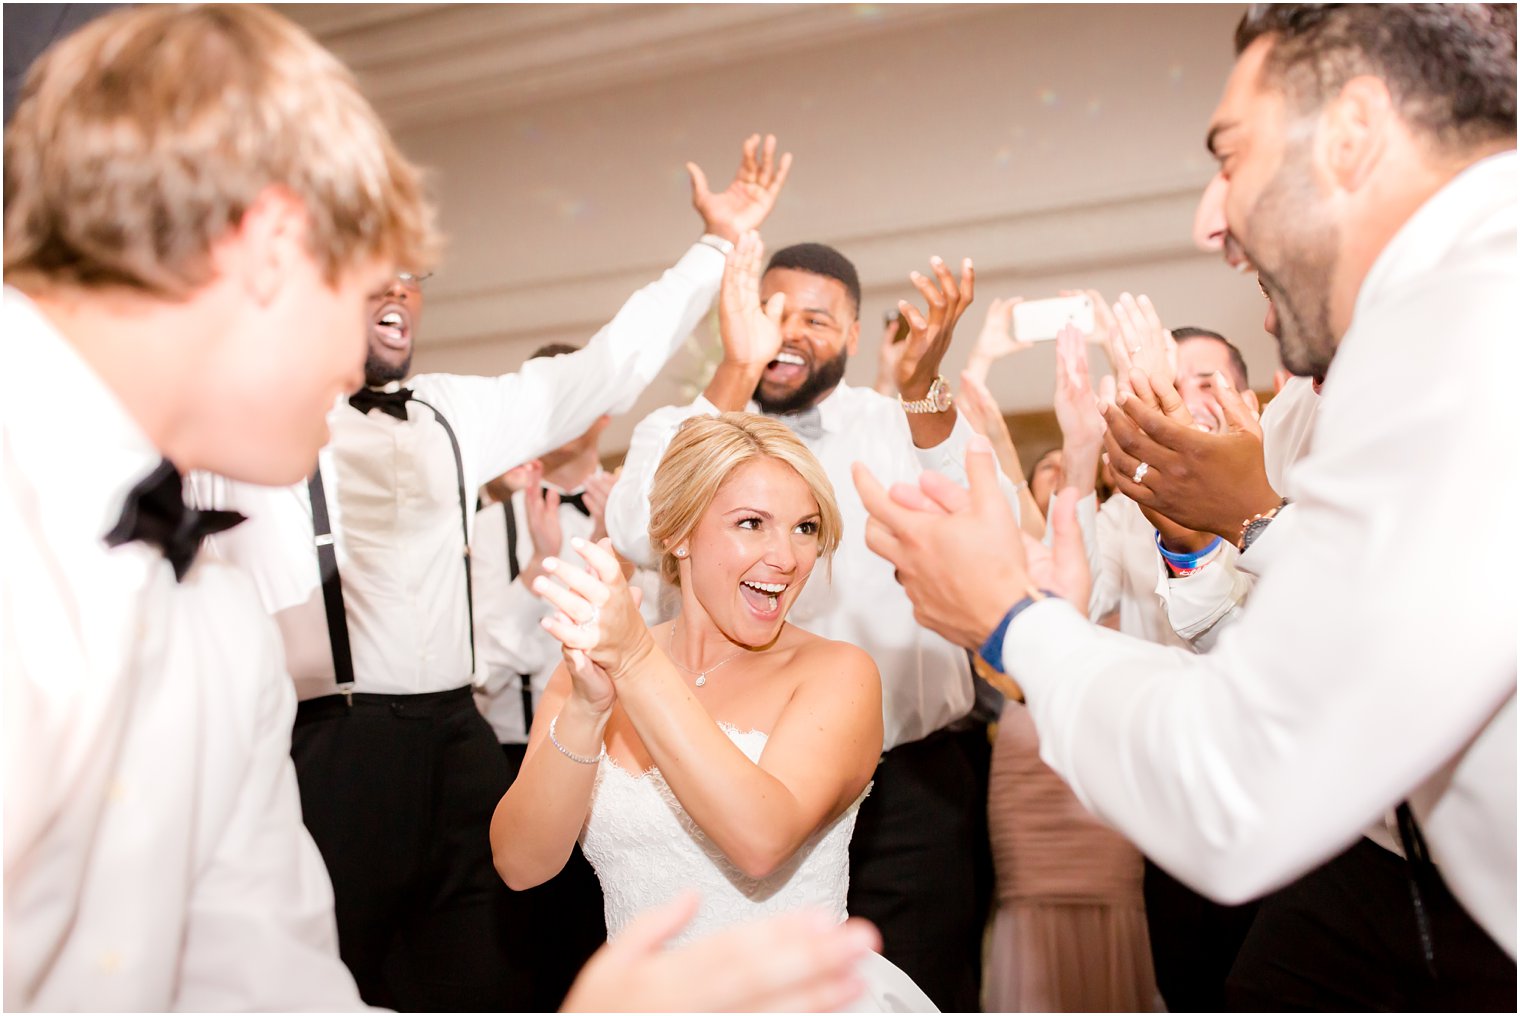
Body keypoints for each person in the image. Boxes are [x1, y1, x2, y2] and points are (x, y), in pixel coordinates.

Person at [855, 4, 1517, 1009]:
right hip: (1376, 866)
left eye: (1228, 154)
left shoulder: (1466, 324)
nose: (1207, 218)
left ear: (1352, 135)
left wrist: (1011, 619)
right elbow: (1337, 643)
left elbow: (1237, 777)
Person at [192, 133, 791, 1009]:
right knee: (321, 977)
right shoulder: (252, 415)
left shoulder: (453, 412)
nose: (398, 288)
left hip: (460, 744)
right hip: (332, 751)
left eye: (410, 275)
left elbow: (605, 370)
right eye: (372, 269)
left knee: (485, 978)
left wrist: (716, 249)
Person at [606, 232, 1009, 1011]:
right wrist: (734, 367)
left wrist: (924, 378)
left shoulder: (895, 425)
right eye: (774, 311)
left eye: (817, 320)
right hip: (726, 774)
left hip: (910, 785)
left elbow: (967, 491)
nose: (790, 330)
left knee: (916, 984)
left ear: (856, 336)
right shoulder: (685, 423)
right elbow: (636, 525)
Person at [492, 412, 936, 1012]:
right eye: (751, 524)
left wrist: (634, 662)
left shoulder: (838, 674)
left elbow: (759, 840)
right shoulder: (595, 668)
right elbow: (522, 865)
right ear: (679, 535)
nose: (785, 556)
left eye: (805, 528)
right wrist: (587, 708)